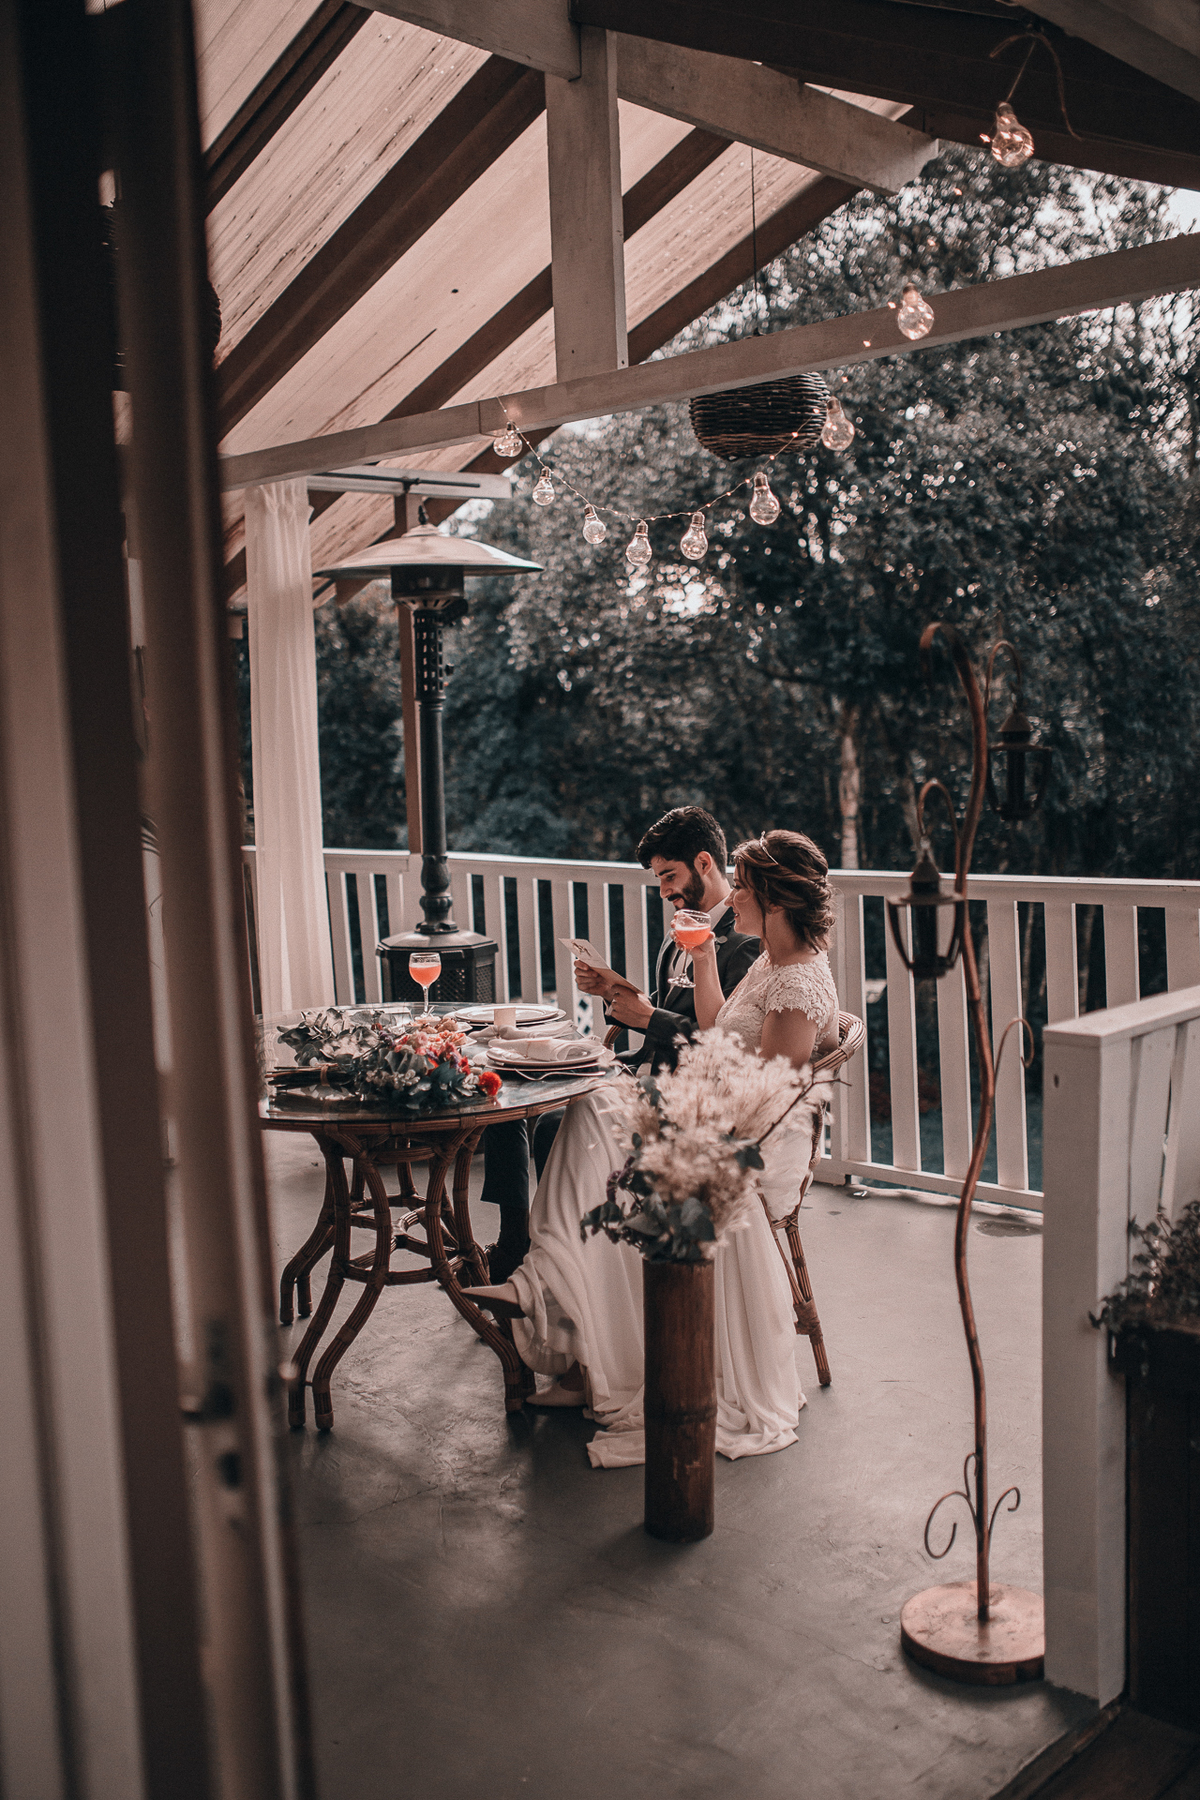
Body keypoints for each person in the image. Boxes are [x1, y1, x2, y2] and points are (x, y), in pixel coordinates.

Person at [476, 829, 840, 1467]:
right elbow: (715, 1028)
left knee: (592, 1118)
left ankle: (549, 1306)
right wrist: (702, 962)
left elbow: (767, 1098)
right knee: (589, 1104)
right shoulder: (767, 959)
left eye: (747, 887)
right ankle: (554, 1305)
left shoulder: (800, 981)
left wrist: (680, 1115)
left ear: (776, 899)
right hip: (709, 1108)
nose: (738, 899)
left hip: (741, 1140)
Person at [476, 807, 758, 1281]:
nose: (664, 890)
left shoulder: (743, 941)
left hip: (684, 1090)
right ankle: (513, 1237)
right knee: (507, 1087)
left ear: (705, 863)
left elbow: (727, 1047)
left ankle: (571, 1256)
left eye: (669, 876)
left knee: (548, 1124)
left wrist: (648, 1018)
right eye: (659, 879)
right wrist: (615, 991)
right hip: (636, 1066)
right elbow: (670, 1012)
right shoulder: (680, 934)